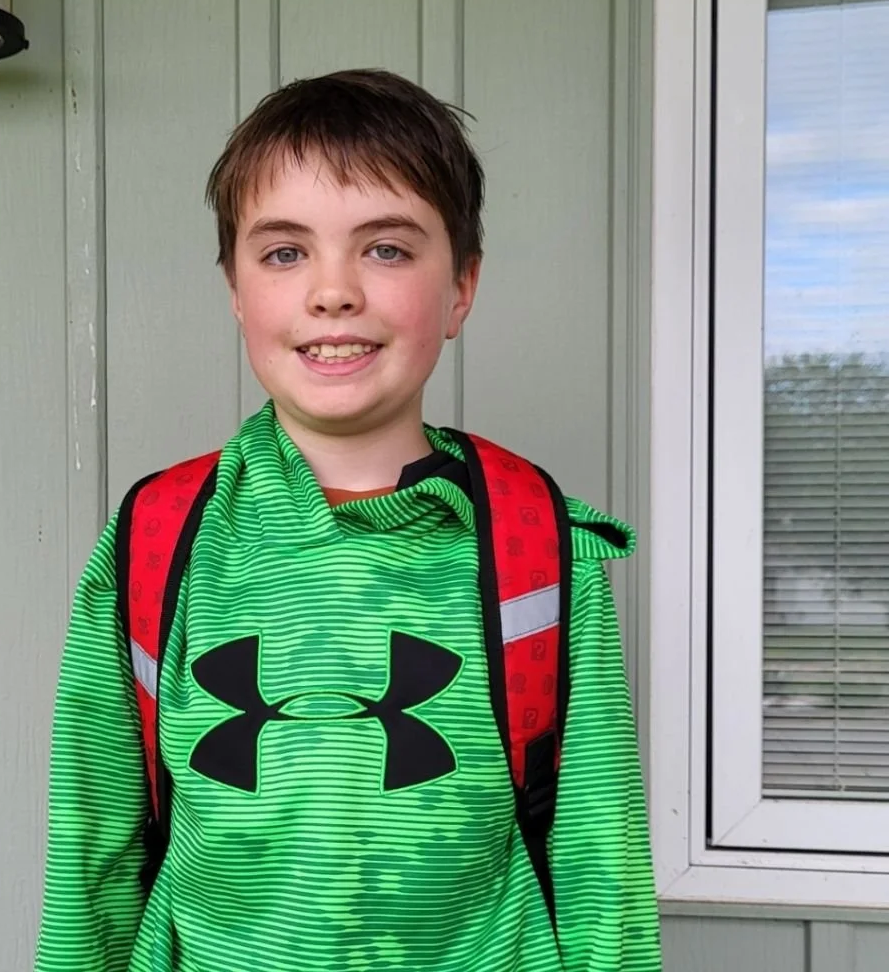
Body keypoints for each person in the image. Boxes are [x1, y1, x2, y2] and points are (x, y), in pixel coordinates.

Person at [34, 69, 661, 972]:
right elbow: (92, 845)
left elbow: (602, 862)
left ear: (462, 290)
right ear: (235, 291)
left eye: (388, 250)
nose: (333, 292)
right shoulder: (155, 538)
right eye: (285, 253)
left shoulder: (537, 544)